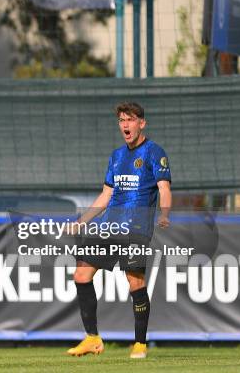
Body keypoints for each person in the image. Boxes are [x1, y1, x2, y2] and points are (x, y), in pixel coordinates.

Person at [67, 102, 171, 359]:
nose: (125, 125)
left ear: (141, 123)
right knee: (81, 274)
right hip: (109, 226)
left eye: (130, 119)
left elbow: (164, 188)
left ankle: (140, 344)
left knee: (135, 281)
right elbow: (106, 195)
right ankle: (92, 338)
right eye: (122, 120)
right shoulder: (116, 156)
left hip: (136, 228)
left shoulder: (154, 152)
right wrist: (82, 222)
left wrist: (165, 213)